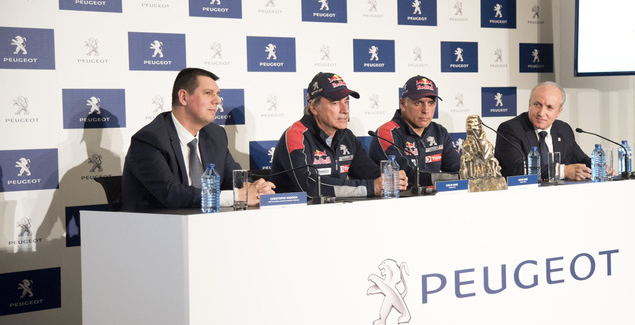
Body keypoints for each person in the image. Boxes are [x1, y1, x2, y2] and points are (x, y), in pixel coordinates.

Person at [122, 68, 274, 211]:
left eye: (218, 94)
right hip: (157, 229)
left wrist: (254, 188)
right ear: (183, 97)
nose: (218, 100)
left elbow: (232, 181)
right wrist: (237, 196)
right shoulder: (149, 140)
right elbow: (171, 194)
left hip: (205, 225)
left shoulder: (216, 135)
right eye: (208, 93)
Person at [272, 72, 408, 198]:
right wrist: (371, 188)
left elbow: (370, 172)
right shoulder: (296, 135)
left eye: (346, 102)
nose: (345, 110)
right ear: (314, 107)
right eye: (335, 103)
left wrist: (392, 178)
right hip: (291, 215)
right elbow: (310, 186)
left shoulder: (347, 136)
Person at [368, 75, 460, 187]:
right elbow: (408, 177)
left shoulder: (439, 131)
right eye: (418, 103)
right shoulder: (387, 133)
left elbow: (457, 168)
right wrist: (454, 178)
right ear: (403, 104)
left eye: (431, 103)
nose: (426, 110)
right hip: (398, 202)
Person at [494, 81, 592, 180]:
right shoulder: (510, 130)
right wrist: (563, 171)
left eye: (549, 107)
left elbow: (581, 159)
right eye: (537, 104)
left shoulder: (563, 129)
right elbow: (518, 170)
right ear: (529, 104)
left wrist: (598, 166)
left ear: (559, 111)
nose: (541, 113)